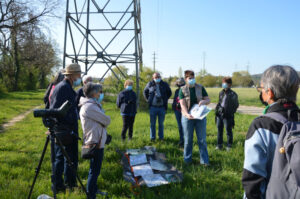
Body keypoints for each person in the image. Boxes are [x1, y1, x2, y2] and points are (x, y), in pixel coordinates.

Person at [242, 65, 299, 199]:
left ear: (270, 93)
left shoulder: (261, 125)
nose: (260, 92)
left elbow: (252, 177)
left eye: (261, 89)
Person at [49, 63, 82, 192]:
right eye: (78, 74)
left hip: (67, 129)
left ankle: (68, 183)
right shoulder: (63, 88)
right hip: (64, 130)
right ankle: (60, 185)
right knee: (63, 158)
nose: (80, 77)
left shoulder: (66, 87)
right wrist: (68, 124)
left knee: (68, 158)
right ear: (72, 75)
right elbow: (56, 110)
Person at [79, 83, 111, 199]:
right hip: (94, 142)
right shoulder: (90, 107)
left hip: (97, 140)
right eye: (99, 92)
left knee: (95, 170)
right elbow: (107, 120)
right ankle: (91, 195)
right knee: (94, 170)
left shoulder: (92, 105)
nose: (100, 94)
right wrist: (106, 118)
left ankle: (93, 189)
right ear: (93, 93)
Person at [179, 70, 210, 165]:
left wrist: (204, 102)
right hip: (188, 117)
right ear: (186, 79)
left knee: (202, 140)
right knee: (188, 140)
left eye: (193, 77)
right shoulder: (182, 89)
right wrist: (186, 114)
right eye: (190, 78)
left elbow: (208, 99)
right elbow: (182, 104)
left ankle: (204, 161)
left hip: (200, 117)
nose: (192, 79)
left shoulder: (200, 87)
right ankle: (187, 160)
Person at [143, 72, 172, 141]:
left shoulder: (164, 84)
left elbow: (169, 92)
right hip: (153, 107)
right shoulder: (150, 84)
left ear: (160, 77)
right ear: (153, 78)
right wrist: (148, 99)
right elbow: (145, 92)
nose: (157, 78)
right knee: (152, 124)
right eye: (156, 77)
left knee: (161, 124)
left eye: (158, 77)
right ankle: (152, 138)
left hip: (162, 107)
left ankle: (161, 138)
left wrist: (165, 98)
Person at [215, 77, 239, 151]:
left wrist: (229, 112)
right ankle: (219, 145)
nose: (223, 84)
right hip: (219, 115)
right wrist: (218, 109)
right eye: (223, 83)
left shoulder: (233, 94)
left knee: (228, 131)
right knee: (219, 130)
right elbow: (219, 102)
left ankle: (229, 145)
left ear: (229, 84)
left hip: (227, 116)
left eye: (225, 83)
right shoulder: (221, 92)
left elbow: (236, 105)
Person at [172, 78, 185, 147]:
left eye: (180, 82)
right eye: (178, 83)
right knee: (180, 126)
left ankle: (186, 140)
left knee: (185, 126)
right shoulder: (177, 91)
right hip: (177, 110)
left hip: (184, 110)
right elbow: (175, 99)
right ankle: (181, 140)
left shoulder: (186, 89)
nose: (179, 84)